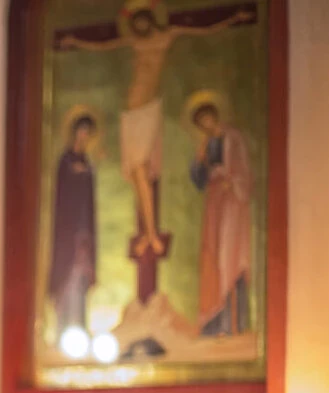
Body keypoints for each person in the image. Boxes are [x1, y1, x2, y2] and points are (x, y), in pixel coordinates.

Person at [60, 1, 252, 258]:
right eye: (135, 22)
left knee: (142, 172)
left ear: (151, 19)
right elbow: (103, 44)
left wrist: (233, 19)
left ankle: (150, 234)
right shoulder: (133, 41)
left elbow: (203, 28)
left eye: (142, 20)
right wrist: (76, 41)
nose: (139, 26)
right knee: (138, 175)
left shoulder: (167, 34)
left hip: (148, 111)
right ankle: (148, 234)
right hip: (131, 114)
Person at [188, 101, 252, 336]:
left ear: (214, 116)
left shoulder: (232, 138)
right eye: (200, 123)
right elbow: (199, 180)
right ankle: (215, 323)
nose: (205, 125)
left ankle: (235, 323)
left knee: (231, 257)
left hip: (232, 204)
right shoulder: (207, 144)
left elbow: (243, 171)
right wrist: (199, 159)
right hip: (214, 204)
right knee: (214, 258)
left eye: (207, 119)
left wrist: (232, 181)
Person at [48, 114, 98, 335]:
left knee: (80, 283)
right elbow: (63, 196)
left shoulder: (88, 164)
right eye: (82, 131)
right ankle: (62, 330)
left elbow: (89, 200)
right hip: (67, 231)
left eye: (88, 133)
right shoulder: (65, 161)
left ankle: (79, 329)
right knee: (66, 281)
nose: (84, 136)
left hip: (83, 232)